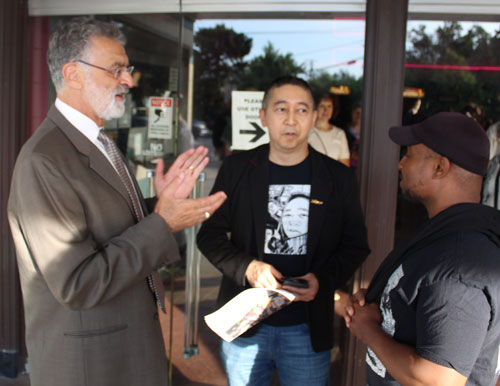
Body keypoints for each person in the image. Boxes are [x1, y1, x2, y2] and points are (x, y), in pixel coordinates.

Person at [7, 17, 226, 386]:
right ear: (72, 74)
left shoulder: (98, 140)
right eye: (116, 69)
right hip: (91, 365)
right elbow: (78, 282)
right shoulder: (43, 160)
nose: (129, 80)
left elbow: (111, 224)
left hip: (122, 350)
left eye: (128, 69)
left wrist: (159, 205)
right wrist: (163, 222)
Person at [197, 76, 370, 386]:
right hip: (246, 325)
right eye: (281, 109)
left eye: (302, 110)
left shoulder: (337, 178)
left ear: (315, 117)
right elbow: (209, 235)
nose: (291, 120)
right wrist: (247, 267)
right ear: (263, 116)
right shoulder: (237, 169)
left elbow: (356, 244)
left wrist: (324, 280)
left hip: (306, 326)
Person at [338, 112, 500, 386]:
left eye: (409, 155)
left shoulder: (460, 266)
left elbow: (437, 380)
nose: (401, 164)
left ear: (440, 167)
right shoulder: (446, 236)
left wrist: (368, 329)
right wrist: (386, 304)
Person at [308, 93, 350, 166]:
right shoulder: (306, 131)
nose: (326, 110)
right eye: (322, 106)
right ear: (315, 108)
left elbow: (345, 165)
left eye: (329, 106)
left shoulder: (339, 133)